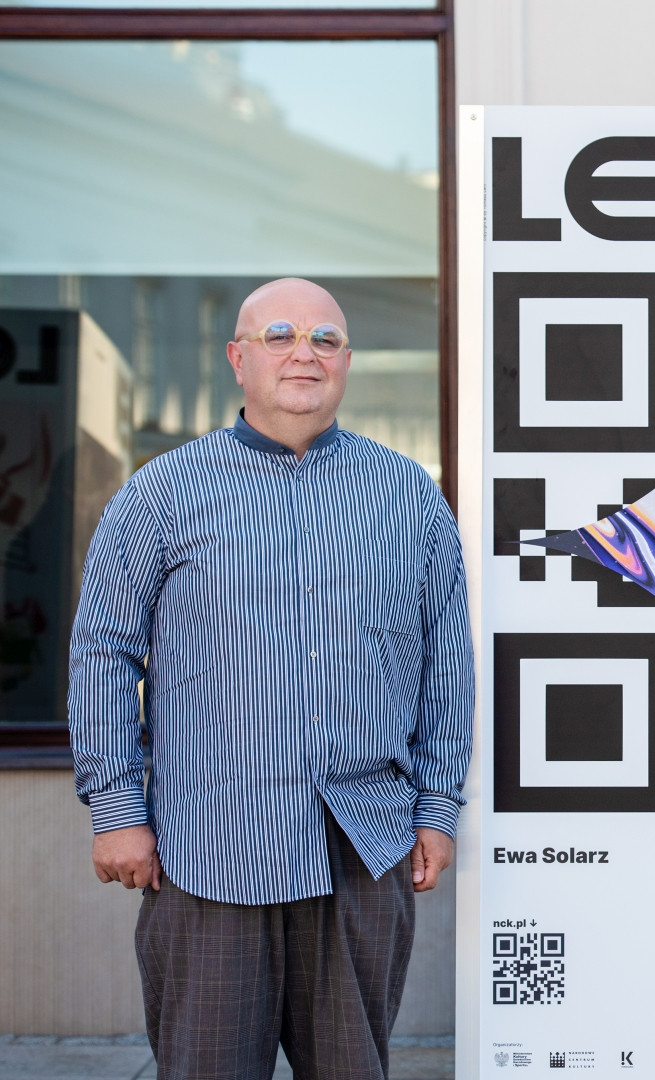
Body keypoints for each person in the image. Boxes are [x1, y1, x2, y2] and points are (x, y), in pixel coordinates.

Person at [69, 278, 474, 1080]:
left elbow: (446, 664)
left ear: (346, 362)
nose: (304, 354)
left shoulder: (409, 498)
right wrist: (116, 810)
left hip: (363, 845)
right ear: (237, 358)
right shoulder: (160, 494)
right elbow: (102, 652)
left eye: (326, 339)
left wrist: (437, 807)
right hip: (209, 846)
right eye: (280, 334)